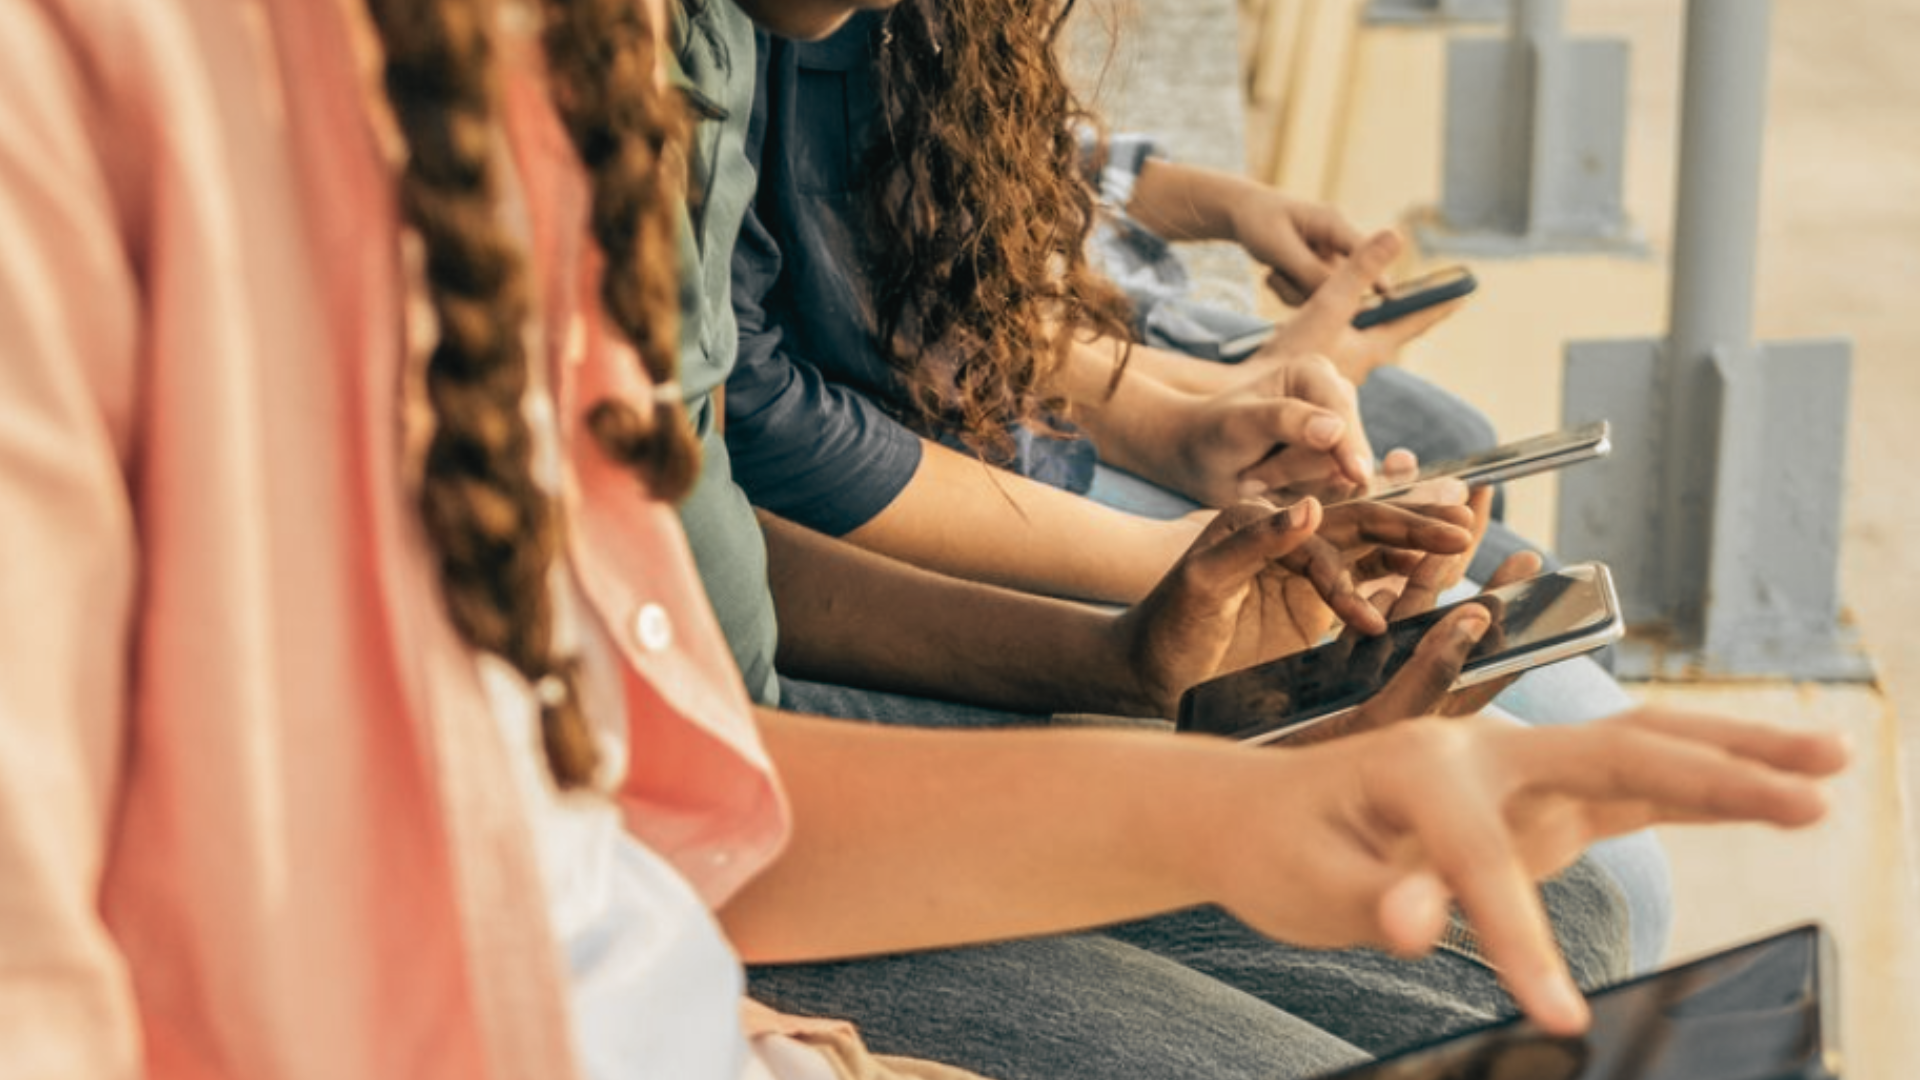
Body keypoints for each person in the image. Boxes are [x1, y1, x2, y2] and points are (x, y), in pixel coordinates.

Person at [0, 1, 1848, 1079]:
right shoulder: (137, 127)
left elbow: (642, 813)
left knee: (1566, 905)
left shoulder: (542, 95)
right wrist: (1143, 621)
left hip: (753, 882)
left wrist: (1230, 784)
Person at [725, 0, 1671, 975]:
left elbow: (925, 246)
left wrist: (1183, 430)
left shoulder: (849, 39)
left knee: (1573, 859)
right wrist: (1150, 578)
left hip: (870, 558)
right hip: (774, 687)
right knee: (1561, 890)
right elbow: (768, 414)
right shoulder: (719, 54)